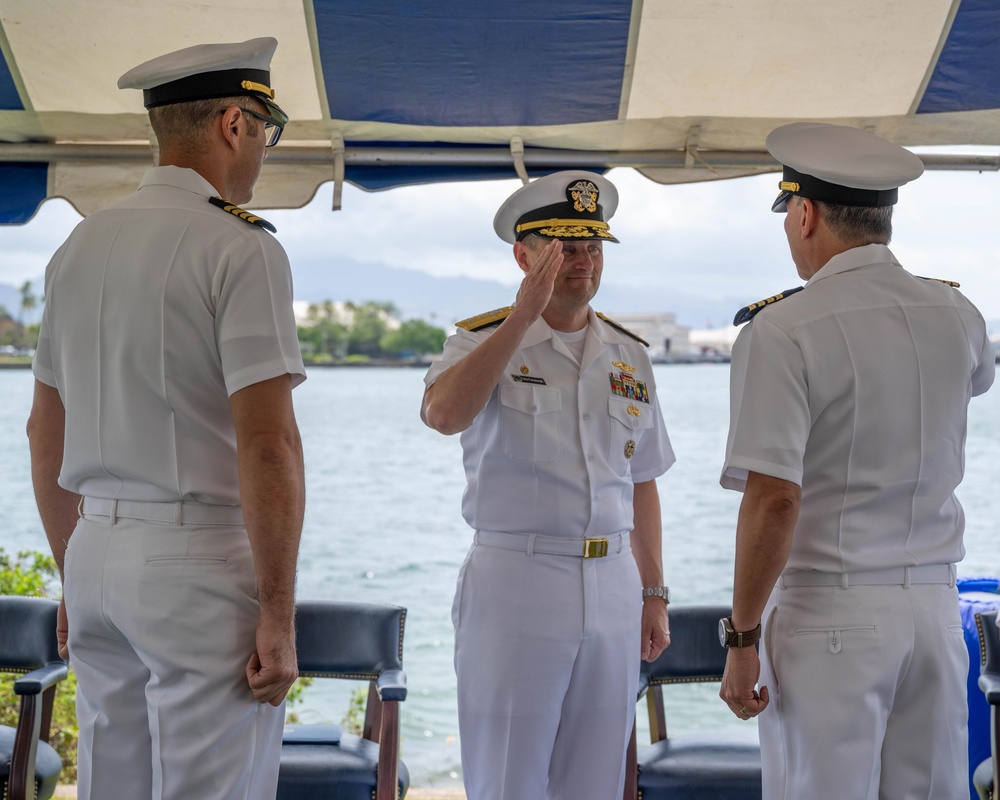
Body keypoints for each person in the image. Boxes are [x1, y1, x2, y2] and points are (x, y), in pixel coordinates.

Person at [26, 38, 306, 800]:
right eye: (265, 129)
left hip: (95, 556)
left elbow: (42, 433)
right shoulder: (238, 247)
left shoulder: (77, 249)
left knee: (114, 786)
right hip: (197, 562)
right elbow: (269, 443)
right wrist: (278, 615)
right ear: (232, 122)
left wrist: (72, 570)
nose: (262, 151)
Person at [718, 122, 996, 799]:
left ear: (806, 214)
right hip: (932, 612)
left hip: (829, 615)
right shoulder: (958, 314)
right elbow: (976, 379)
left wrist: (743, 638)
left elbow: (775, 499)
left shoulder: (783, 331)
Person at [421, 170, 675, 800]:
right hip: (518, 582)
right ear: (524, 255)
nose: (581, 262)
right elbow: (443, 415)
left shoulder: (628, 354)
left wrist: (654, 593)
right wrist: (521, 320)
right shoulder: (479, 340)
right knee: (509, 775)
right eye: (562, 247)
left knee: (595, 780)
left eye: (591, 247)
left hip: (614, 583)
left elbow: (641, 481)